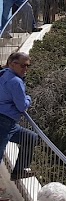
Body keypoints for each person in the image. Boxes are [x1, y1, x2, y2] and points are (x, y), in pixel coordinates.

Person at [0, 52, 37, 180]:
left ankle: (19, 171)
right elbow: (22, 106)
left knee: (30, 137)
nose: (25, 69)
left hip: (9, 124)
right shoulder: (15, 82)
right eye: (23, 66)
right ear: (12, 64)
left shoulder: (3, 73)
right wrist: (28, 98)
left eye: (27, 66)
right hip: (4, 122)